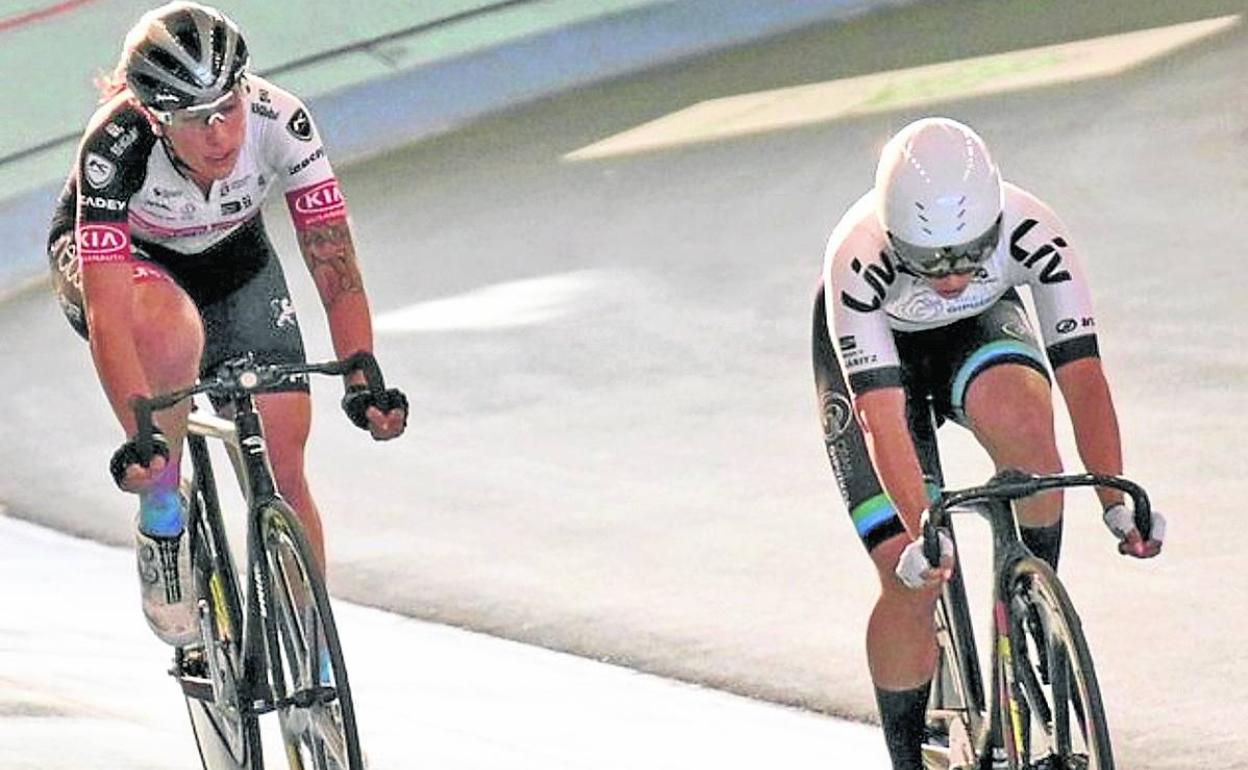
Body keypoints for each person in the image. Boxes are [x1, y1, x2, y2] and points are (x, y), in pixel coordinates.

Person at [47, 1, 408, 646]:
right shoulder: (114, 148)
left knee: (284, 450)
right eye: (194, 120)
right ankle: (163, 518)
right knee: (170, 328)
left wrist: (361, 370)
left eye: (227, 108)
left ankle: (315, 656)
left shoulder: (282, 121)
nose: (219, 133)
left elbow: (334, 264)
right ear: (156, 119)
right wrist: (144, 438)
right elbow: (109, 317)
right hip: (132, 267)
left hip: (231, 257)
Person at [810, 116, 1165, 769]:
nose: (949, 277)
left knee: (1032, 434)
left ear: (997, 224)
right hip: (877, 370)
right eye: (927, 260)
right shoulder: (854, 260)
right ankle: (907, 756)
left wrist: (1114, 493)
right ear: (892, 241)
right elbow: (881, 418)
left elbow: (1082, 375)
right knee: (909, 579)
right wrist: (923, 530)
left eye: (971, 254)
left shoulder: (1035, 230)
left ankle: (1030, 601)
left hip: (976, 333)